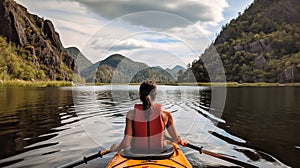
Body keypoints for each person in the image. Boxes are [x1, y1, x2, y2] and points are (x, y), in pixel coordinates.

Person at [110, 80, 188, 153]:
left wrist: (117, 147)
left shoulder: (131, 114)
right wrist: (181, 140)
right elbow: (176, 139)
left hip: (137, 154)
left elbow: (126, 143)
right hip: (159, 154)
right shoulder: (166, 115)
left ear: (140, 95)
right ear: (155, 95)